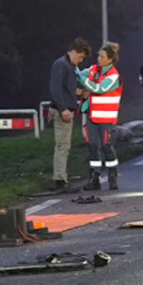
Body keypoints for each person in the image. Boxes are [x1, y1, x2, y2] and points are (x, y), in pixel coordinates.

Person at [77, 42, 123, 190]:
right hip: (92, 116)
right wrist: (81, 82)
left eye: (102, 56)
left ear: (110, 60)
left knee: (107, 146)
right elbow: (81, 77)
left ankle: (112, 175)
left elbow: (99, 88)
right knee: (92, 146)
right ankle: (94, 178)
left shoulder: (113, 76)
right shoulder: (93, 70)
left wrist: (85, 84)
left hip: (106, 119)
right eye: (98, 55)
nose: (99, 59)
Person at [48, 39, 90, 189]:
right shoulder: (62, 65)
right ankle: (60, 179)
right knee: (62, 145)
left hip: (65, 109)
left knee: (65, 145)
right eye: (80, 57)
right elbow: (55, 90)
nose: (80, 60)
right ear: (74, 52)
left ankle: (61, 176)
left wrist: (79, 93)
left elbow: (66, 89)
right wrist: (63, 109)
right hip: (62, 112)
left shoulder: (69, 66)